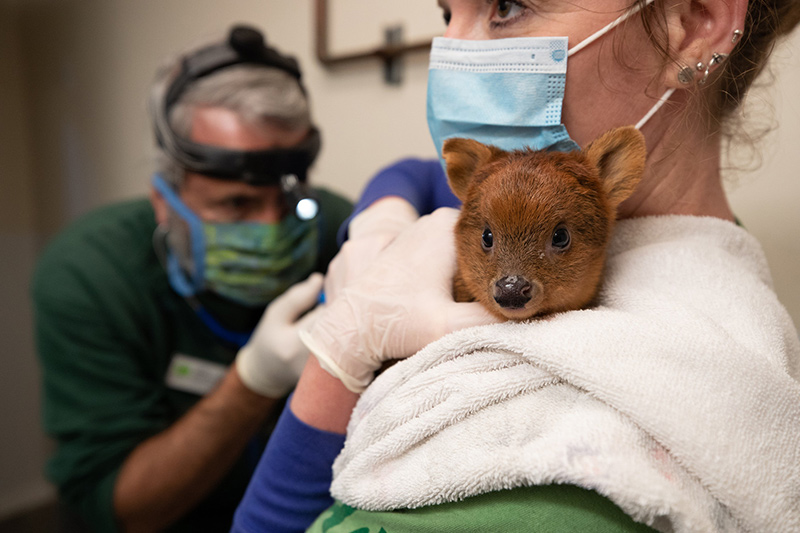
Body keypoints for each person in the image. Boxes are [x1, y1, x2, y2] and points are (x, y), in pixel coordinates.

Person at [233, 1, 800, 532]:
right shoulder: (698, 259)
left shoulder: (542, 467)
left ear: (696, 20)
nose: (451, 53)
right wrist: (379, 216)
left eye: (507, 5)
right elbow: (418, 172)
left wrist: (337, 360)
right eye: (447, 11)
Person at [31, 25, 352, 533]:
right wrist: (253, 382)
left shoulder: (336, 229)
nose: (271, 228)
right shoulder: (91, 273)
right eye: (235, 204)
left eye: (288, 200)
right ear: (165, 202)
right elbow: (122, 508)